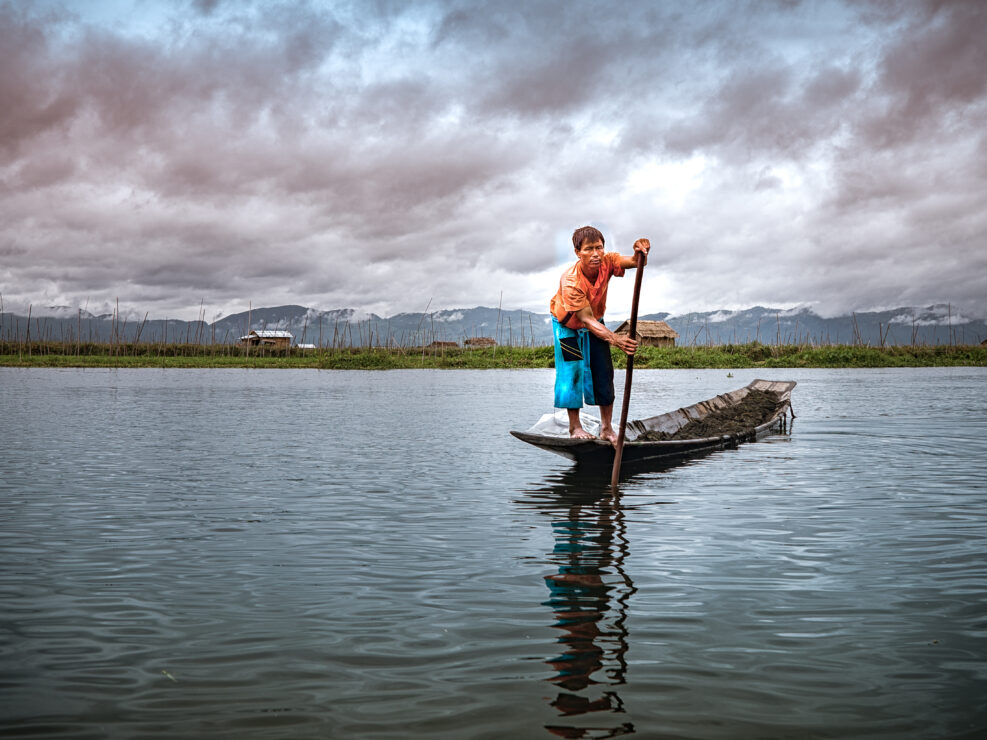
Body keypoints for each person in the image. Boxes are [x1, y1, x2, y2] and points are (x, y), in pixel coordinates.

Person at [549, 225, 650, 443]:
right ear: (578, 252)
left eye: (599, 247)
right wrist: (616, 339)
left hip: (595, 319)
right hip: (567, 323)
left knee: (604, 370)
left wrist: (640, 252)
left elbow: (634, 262)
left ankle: (606, 429)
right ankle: (575, 427)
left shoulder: (607, 260)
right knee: (572, 369)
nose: (595, 254)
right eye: (588, 249)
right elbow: (585, 319)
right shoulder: (571, 281)